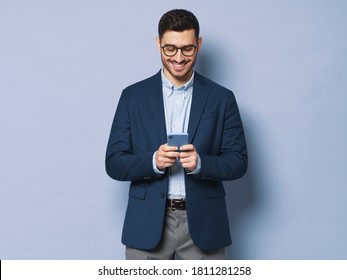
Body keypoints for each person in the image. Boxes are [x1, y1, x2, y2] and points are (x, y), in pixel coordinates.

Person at [105, 9, 247, 260]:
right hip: (147, 225)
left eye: (187, 49)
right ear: (158, 43)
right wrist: (153, 161)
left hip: (205, 224)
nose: (179, 58)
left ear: (199, 44)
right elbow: (114, 163)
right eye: (170, 48)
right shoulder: (133, 97)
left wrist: (203, 163)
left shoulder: (222, 98)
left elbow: (238, 162)